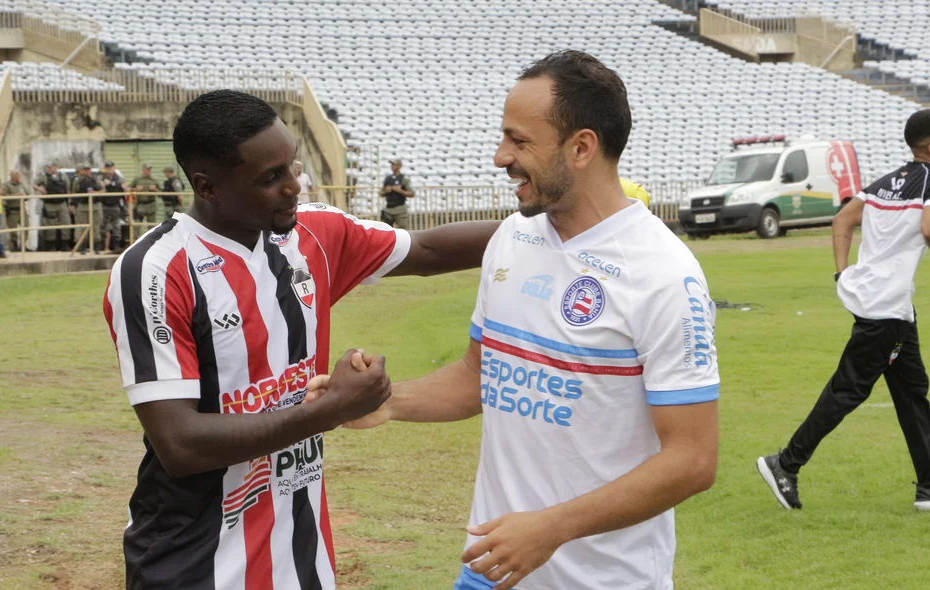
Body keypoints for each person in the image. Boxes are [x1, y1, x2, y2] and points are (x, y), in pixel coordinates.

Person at [327, 51, 720, 590]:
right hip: (490, 573)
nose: (499, 156)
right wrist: (385, 401)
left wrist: (551, 529)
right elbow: (477, 376)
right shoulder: (513, 238)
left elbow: (692, 460)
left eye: (519, 141)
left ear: (581, 147)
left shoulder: (664, 274)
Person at [101, 89, 499, 590]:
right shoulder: (154, 271)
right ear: (209, 186)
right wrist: (330, 409)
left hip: (302, 556)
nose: (294, 187)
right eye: (271, 178)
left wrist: (546, 227)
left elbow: (427, 249)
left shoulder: (313, 235)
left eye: (293, 166)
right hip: (193, 561)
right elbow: (180, 443)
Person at [758, 109, 930, 512]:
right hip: (885, 310)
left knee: (912, 392)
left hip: (889, 306)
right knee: (847, 390)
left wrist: (842, 274)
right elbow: (926, 230)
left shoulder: (885, 183)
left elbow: (842, 220)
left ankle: (928, 486)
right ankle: (785, 463)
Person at [34, 162, 72, 252]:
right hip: (49, 203)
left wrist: (69, 203)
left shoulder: (63, 176)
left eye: (51, 167)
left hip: (62, 203)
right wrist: (40, 189)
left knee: (66, 223)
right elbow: (34, 184)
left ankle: (65, 245)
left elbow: (68, 190)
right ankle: (51, 246)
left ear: (56, 167)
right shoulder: (44, 176)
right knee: (50, 225)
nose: (50, 169)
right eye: (48, 168)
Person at [70, 165, 105, 253]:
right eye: (84, 170)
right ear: (81, 171)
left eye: (88, 169)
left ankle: (96, 248)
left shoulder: (96, 180)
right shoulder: (77, 181)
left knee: (96, 227)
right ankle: (83, 248)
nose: (86, 171)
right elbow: (73, 193)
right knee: (83, 227)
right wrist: (73, 204)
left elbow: (103, 190)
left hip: (95, 205)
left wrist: (95, 192)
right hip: (82, 206)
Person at [100, 161, 128, 253]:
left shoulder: (118, 177)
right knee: (103, 226)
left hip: (115, 205)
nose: (109, 170)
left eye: (111, 168)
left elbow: (122, 185)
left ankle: (116, 245)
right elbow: (100, 186)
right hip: (104, 205)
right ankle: (104, 246)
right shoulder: (102, 177)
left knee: (116, 226)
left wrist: (112, 184)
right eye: (108, 168)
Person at [379, 158, 414, 229]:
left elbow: (412, 193)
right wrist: (386, 191)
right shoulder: (388, 179)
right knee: (386, 230)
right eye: (392, 164)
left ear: (399, 166)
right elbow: (381, 193)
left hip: (400, 210)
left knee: (403, 231)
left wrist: (400, 191)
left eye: (394, 164)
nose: (392, 166)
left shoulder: (404, 179)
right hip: (389, 210)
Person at [3, 169, 29, 252]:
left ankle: (23, 246)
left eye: (19, 175)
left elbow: (27, 194)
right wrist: (16, 195)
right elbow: (4, 196)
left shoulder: (22, 185)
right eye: (17, 175)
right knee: (13, 230)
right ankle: (14, 245)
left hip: (22, 209)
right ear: (12, 176)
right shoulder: (7, 185)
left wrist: (25, 196)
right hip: (12, 210)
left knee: (26, 227)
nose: (18, 177)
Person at [130, 163, 160, 228]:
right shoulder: (137, 179)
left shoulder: (154, 179)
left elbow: (161, 193)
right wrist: (136, 189)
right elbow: (129, 189)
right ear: (143, 170)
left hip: (151, 205)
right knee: (136, 225)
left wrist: (155, 190)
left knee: (152, 227)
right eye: (147, 169)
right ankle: (135, 237)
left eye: (150, 169)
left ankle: (152, 238)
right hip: (140, 205)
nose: (149, 171)